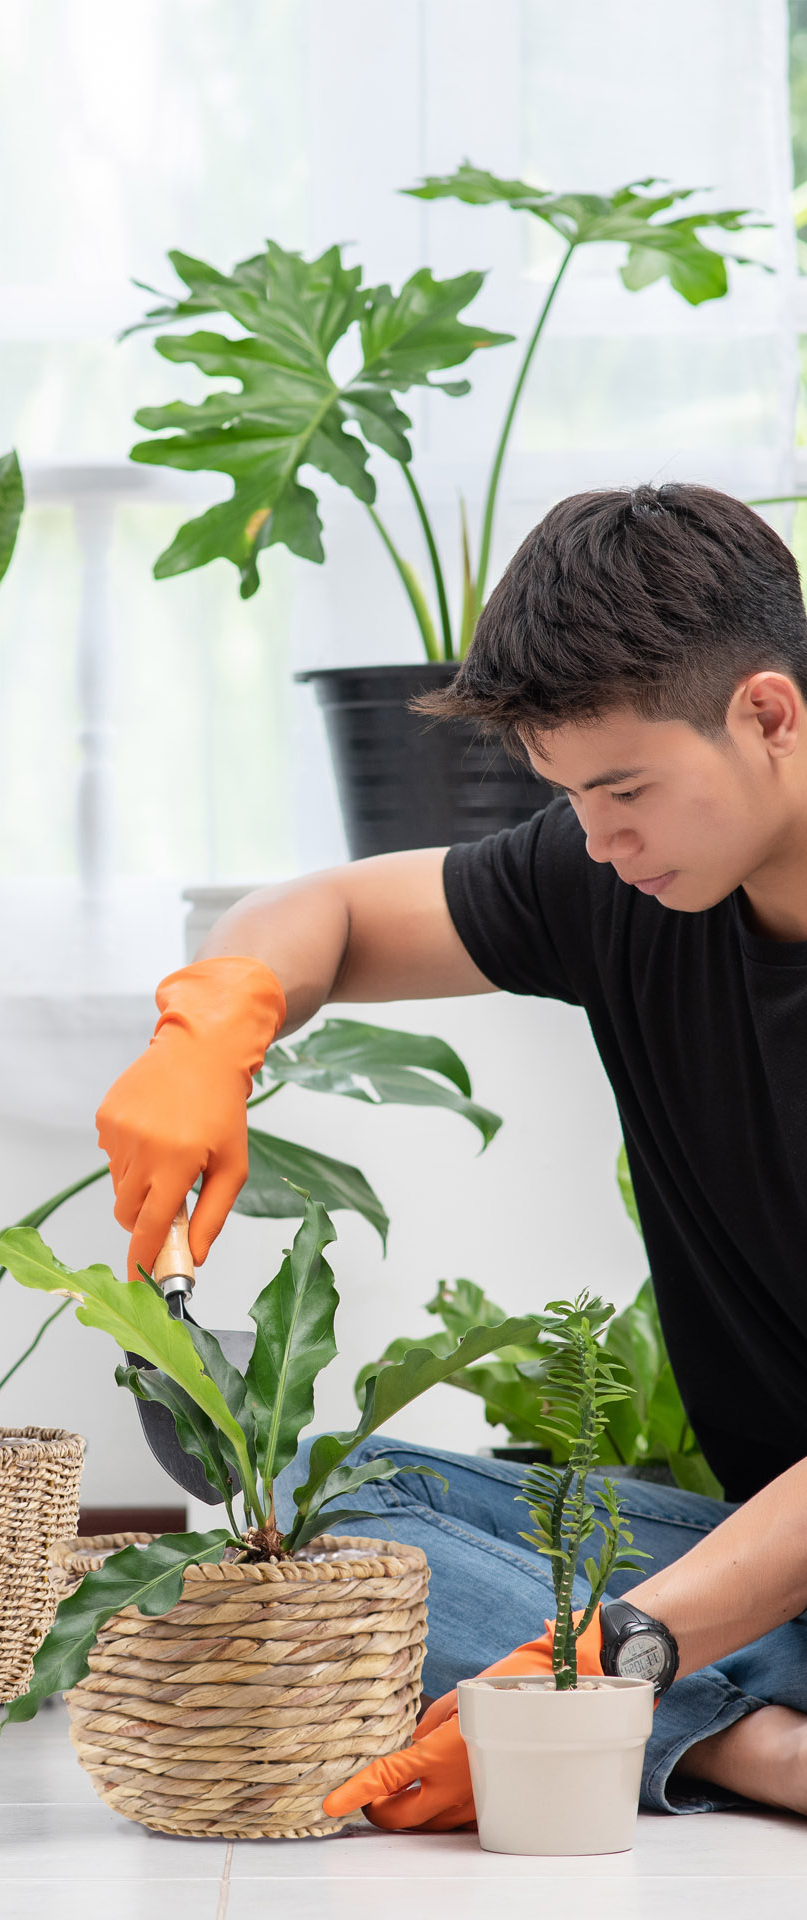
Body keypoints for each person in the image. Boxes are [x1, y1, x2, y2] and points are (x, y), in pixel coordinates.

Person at [95, 484, 807, 1822]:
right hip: (766, 1566)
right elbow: (326, 911)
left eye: (625, 790)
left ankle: (665, 1710)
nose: (597, 840)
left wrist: (604, 1655)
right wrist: (213, 1028)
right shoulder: (622, 878)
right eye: (569, 796)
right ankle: (742, 1739)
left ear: (769, 715)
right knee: (318, 1508)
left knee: (498, 1615)